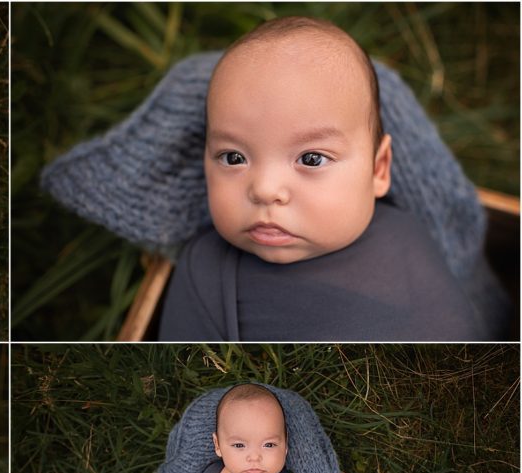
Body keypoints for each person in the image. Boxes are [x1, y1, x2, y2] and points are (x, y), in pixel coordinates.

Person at [150, 17, 483, 341]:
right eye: (233, 157)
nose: (265, 190)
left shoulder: (412, 232)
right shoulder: (207, 268)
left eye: (311, 159)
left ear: (378, 169)